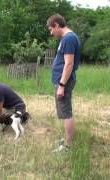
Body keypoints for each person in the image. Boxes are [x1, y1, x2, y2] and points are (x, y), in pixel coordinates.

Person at [47, 14, 81, 152]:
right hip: (63, 80)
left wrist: (61, 86)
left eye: (51, 29)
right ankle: (68, 138)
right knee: (65, 111)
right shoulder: (69, 38)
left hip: (64, 82)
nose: (51, 33)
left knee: (66, 112)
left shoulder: (69, 38)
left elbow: (69, 64)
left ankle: (67, 145)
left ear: (56, 25)